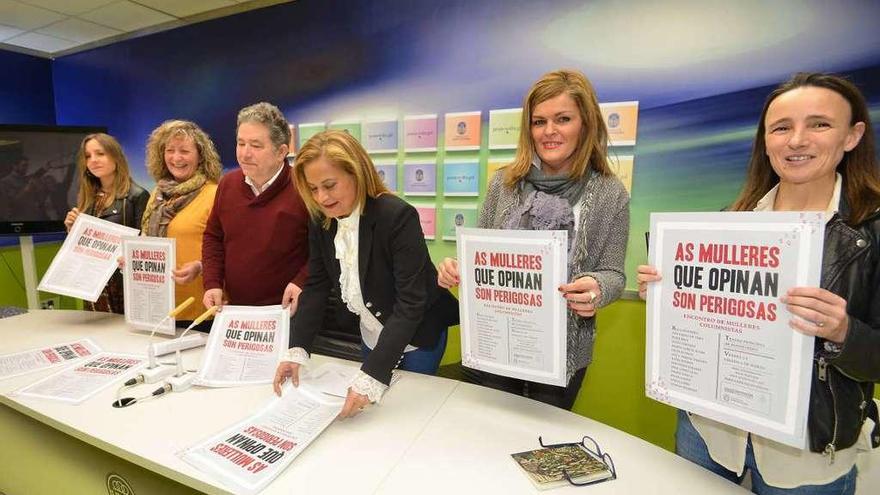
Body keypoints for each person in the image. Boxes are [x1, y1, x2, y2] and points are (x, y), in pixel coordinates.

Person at [637, 72, 880, 495]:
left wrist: (844, 332)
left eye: (819, 124)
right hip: (709, 433)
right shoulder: (729, 223)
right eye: (781, 127)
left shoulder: (872, 231)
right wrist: (665, 298)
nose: (797, 140)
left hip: (807, 454)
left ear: (852, 136)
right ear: (765, 141)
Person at [437, 69, 630, 409]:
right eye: (539, 122)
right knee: (492, 431)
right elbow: (480, 256)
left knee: (542, 443)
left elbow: (615, 272)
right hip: (499, 341)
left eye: (563, 119)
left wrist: (597, 287)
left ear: (585, 123)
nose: (549, 131)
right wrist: (456, 268)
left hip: (563, 350)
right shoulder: (504, 184)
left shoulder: (610, 193)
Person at [273, 130, 458, 418]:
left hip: (418, 333)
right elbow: (317, 286)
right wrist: (297, 349)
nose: (321, 197)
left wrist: (372, 376)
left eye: (330, 185)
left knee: (407, 414)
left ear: (356, 173)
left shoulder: (397, 216)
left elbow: (411, 303)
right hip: (371, 332)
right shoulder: (321, 220)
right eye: (313, 188)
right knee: (372, 418)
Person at [201, 102, 309, 312]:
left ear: (281, 152)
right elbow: (213, 237)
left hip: (288, 313)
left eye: (256, 146)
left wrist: (301, 281)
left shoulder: (305, 188)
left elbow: (324, 251)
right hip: (236, 312)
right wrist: (212, 283)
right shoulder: (228, 184)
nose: (245, 154)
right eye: (241, 144)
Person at [141, 120, 222, 330]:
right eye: (170, 150)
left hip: (201, 311)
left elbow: (232, 249)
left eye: (184, 151)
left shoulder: (215, 194)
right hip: (159, 308)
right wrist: (131, 259)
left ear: (200, 155)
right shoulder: (156, 195)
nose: (176, 158)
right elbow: (145, 240)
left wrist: (201, 266)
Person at [64, 133, 149, 313]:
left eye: (100, 154)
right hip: (93, 283)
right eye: (88, 156)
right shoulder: (88, 197)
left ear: (115, 156)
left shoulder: (137, 195)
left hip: (124, 285)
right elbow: (84, 248)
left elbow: (145, 245)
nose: (93, 160)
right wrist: (73, 231)